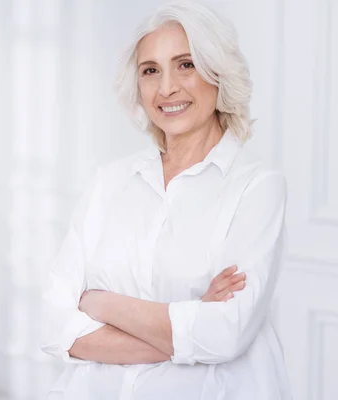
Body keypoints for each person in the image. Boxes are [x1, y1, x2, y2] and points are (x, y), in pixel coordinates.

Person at [40, 1, 292, 399]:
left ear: (218, 73)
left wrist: (100, 303)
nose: (167, 87)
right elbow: (53, 325)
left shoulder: (257, 187)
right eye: (150, 70)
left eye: (186, 64)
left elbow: (225, 334)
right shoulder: (110, 181)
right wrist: (184, 329)